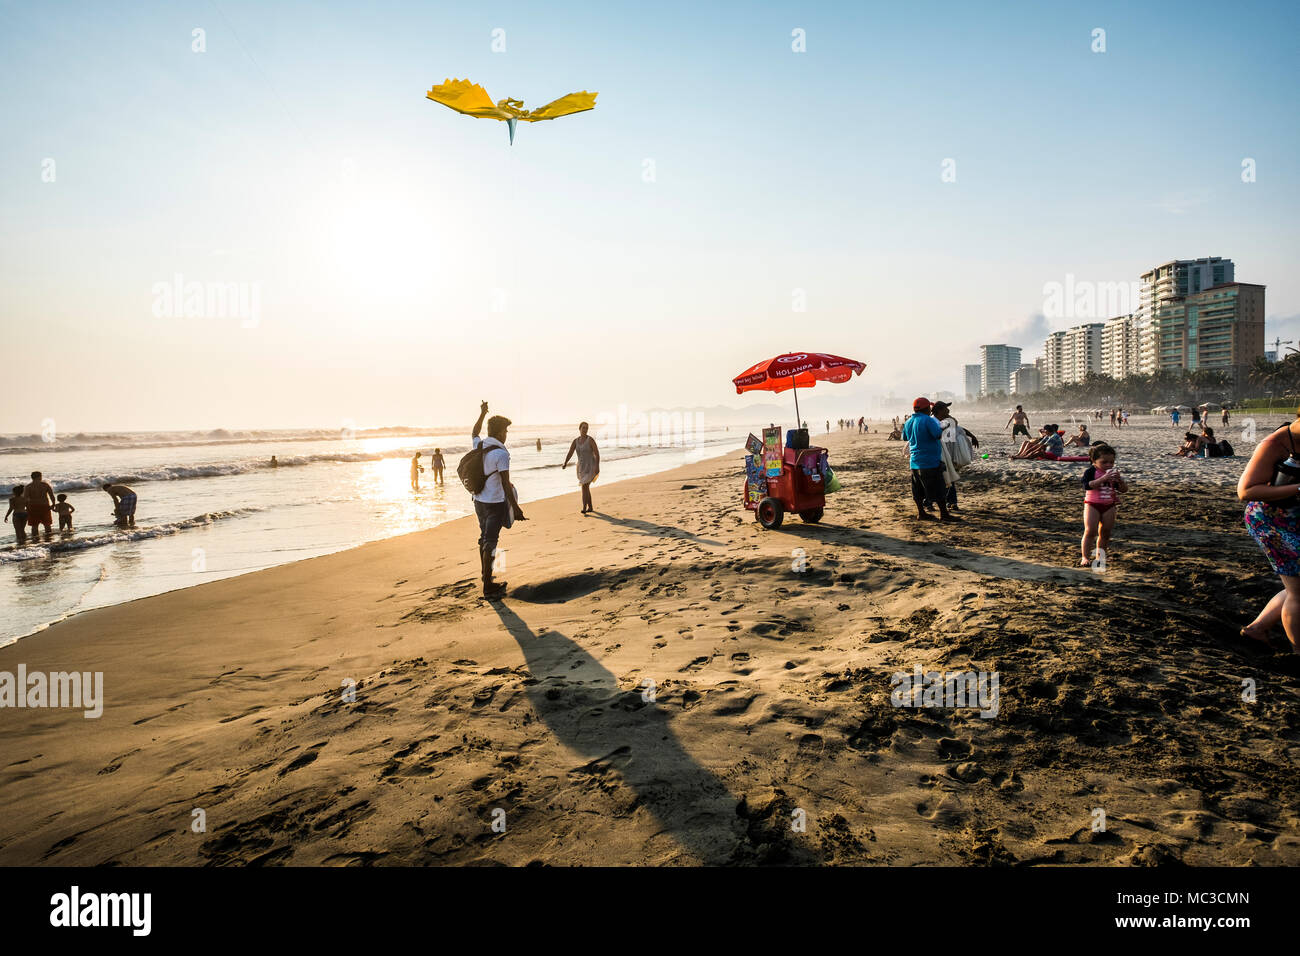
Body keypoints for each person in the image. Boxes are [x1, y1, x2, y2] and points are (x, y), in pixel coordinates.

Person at [1238, 411, 1300, 654]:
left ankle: (1258, 628)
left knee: (1296, 587)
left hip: (1295, 517)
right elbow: (1246, 491)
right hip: (1271, 520)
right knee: (1298, 593)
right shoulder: (1275, 443)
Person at [471, 401, 525, 598]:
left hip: (478, 502)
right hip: (494, 503)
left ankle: (487, 577)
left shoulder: (480, 445)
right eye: (506, 431)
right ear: (500, 432)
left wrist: (482, 413)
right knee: (491, 541)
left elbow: (474, 432)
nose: (506, 434)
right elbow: (505, 484)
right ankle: (488, 586)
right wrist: (516, 509)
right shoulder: (501, 454)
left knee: (484, 538)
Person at [902, 397, 955, 522]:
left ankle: (921, 513)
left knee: (918, 490)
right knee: (939, 488)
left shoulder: (909, 421)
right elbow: (936, 435)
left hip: (914, 462)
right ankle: (944, 514)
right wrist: (943, 427)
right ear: (926, 408)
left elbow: (905, 437)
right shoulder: (927, 420)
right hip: (930, 460)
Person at [1080, 443, 1127, 566]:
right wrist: (1103, 479)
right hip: (1092, 504)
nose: (1108, 465)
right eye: (1104, 462)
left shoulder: (1112, 473)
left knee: (1105, 532)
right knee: (1090, 531)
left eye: (1111, 462)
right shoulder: (1091, 471)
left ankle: (1100, 557)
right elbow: (1087, 485)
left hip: (1109, 505)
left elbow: (1123, 490)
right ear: (1094, 461)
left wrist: (1120, 480)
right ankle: (1085, 557)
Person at [562, 422, 601, 515]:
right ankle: (590, 507)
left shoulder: (590, 440)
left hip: (590, 465)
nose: (585, 429)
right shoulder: (575, 441)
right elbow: (570, 452)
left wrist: (597, 466)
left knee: (584, 486)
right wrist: (565, 462)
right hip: (581, 467)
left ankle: (584, 507)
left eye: (586, 428)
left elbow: (597, 453)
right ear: (579, 429)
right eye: (583, 428)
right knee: (586, 486)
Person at [24, 471, 56, 539]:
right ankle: (48, 540)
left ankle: (35, 541)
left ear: (32, 477)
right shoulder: (45, 485)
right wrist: (53, 504)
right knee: (47, 525)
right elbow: (51, 496)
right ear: (39, 477)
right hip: (45, 506)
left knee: (34, 526)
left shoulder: (28, 487)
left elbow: (25, 499)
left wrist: (26, 507)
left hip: (33, 507)